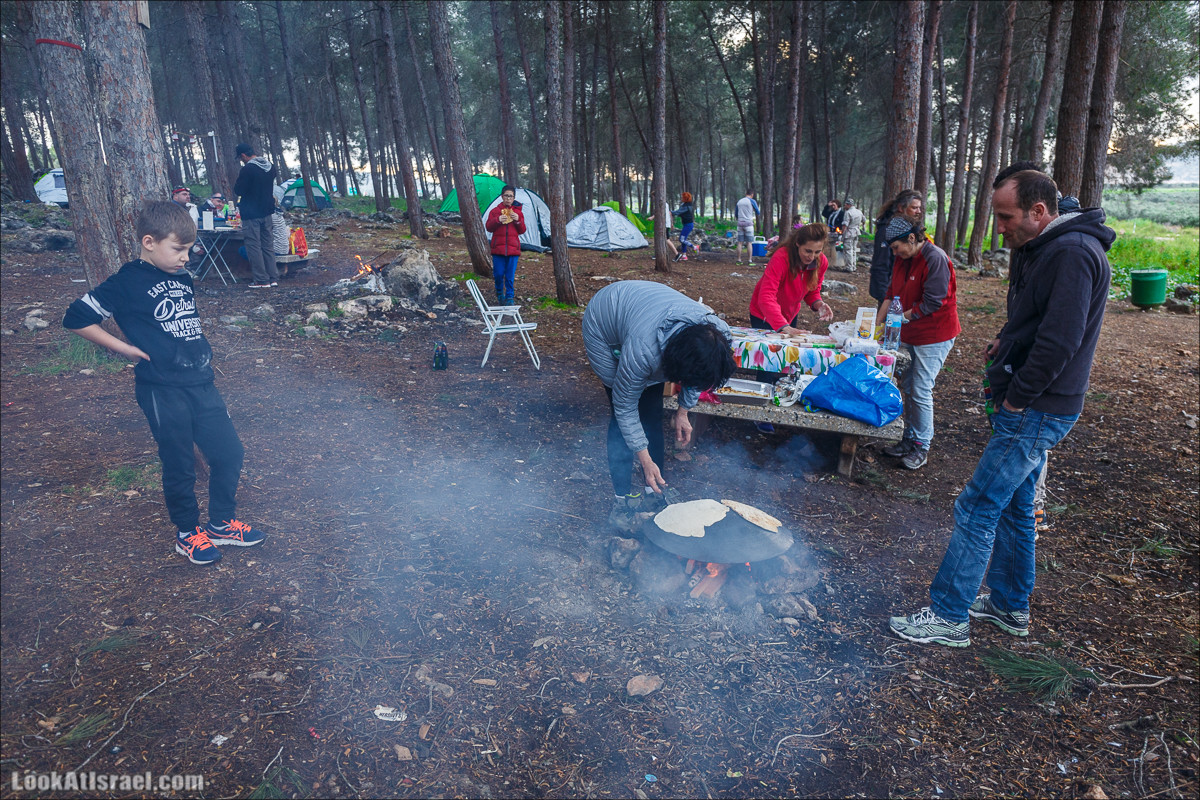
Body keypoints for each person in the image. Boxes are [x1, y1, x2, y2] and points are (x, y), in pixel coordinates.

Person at [889, 169, 1113, 647]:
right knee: (1014, 503)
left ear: (1039, 211)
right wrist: (1006, 340)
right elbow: (1038, 318)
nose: (1000, 227)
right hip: (1036, 401)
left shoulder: (1072, 253)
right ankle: (1010, 605)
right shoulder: (1047, 247)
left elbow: (1059, 342)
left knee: (977, 505)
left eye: (1007, 217)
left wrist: (1016, 398)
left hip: (1037, 406)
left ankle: (948, 616)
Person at [62, 201, 265, 566]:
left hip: (201, 381)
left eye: (189, 249)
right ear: (149, 242)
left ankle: (221, 523)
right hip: (161, 388)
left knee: (229, 453)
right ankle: (187, 534)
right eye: (178, 249)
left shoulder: (181, 276)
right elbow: (76, 317)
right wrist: (124, 348)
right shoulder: (127, 281)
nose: (186, 257)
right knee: (179, 462)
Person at [582, 281, 735, 531]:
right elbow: (625, 406)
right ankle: (621, 501)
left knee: (651, 414)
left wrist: (683, 411)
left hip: (647, 317)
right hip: (603, 320)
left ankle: (653, 493)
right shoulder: (645, 350)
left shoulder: (718, 337)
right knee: (621, 414)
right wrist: (645, 459)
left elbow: (698, 375)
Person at [875, 216, 960, 470]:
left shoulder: (935, 258)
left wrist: (899, 318)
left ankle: (922, 445)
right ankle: (909, 438)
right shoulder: (903, 258)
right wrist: (876, 326)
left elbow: (933, 302)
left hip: (935, 334)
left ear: (911, 238)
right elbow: (891, 294)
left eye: (896, 247)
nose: (894, 253)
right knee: (909, 385)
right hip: (909, 332)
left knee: (921, 388)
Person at [233, 142, 279, 289]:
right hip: (267, 211)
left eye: (241, 158)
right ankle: (273, 277)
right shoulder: (270, 166)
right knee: (268, 246)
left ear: (243, 155)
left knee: (253, 246)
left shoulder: (248, 169)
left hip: (251, 212)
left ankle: (261, 279)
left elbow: (239, 190)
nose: (241, 160)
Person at [870, 189, 925, 303]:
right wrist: (885, 298)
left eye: (919, 208)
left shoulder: (911, 228)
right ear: (901, 208)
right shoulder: (887, 231)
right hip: (891, 294)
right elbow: (880, 265)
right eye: (914, 208)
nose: (918, 212)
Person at [484, 185, 526, 304]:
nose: (508, 198)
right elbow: (488, 227)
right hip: (498, 248)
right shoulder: (495, 211)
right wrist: (497, 220)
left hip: (513, 249)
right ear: (502, 197)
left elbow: (522, 230)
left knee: (510, 275)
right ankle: (499, 293)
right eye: (506, 196)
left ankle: (510, 297)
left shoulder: (518, 212)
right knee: (498, 274)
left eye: (511, 196)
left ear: (514, 198)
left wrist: (518, 220)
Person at [735, 189, 760, 265]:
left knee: (740, 243)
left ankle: (739, 260)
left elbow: (736, 214)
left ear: (745, 193)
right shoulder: (752, 201)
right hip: (748, 224)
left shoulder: (739, 201)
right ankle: (749, 261)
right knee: (749, 243)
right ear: (752, 195)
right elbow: (758, 212)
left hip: (740, 224)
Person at [670, 192, 696, 262]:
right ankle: (684, 256)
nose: (681, 198)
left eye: (682, 197)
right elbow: (679, 212)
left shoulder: (686, 206)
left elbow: (677, 212)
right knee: (683, 239)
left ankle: (694, 247)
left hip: (688, 225)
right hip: (686, 224)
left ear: (685, 198)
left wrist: (670, 212)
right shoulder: (685, 205)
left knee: (681, 239)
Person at [840, 199, 865, 271]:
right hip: (856, 232)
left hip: (849, 233)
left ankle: (849, 267)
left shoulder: (848, 212)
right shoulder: (859, 211)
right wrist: (858, 225)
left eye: (845, 204)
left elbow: (845, 224)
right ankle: (854, 266)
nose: (844, 206)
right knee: (854, 249)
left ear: (848, 205)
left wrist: (842, 233)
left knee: (848, 250)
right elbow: (864, 220)